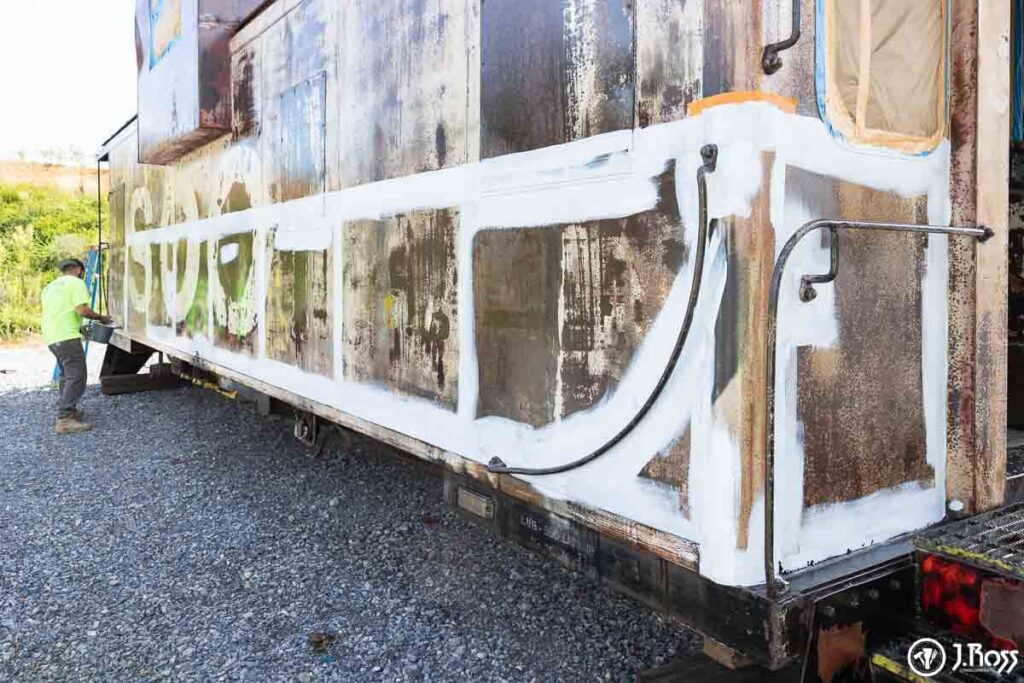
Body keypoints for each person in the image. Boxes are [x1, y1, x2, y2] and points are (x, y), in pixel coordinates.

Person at [41, 258, 111, 434]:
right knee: (77, 375)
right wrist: (101, 317)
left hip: (52, 337)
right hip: (66, 337)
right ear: (79, 270)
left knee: (67, 374)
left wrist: (78, 327)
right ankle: (64, 419)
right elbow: (82, 310)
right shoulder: (76, 283)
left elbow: (59, 312)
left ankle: (68, 410)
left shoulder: (50, 287)